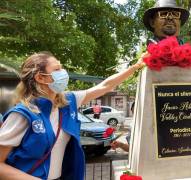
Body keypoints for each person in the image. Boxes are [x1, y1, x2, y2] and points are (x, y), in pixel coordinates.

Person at [0, 51, 146, 180]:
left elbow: (105, 86)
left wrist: (136, 66)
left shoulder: (68, 102)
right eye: (57, 69)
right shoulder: (22, 114)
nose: (63, 72)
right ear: (40, 77)